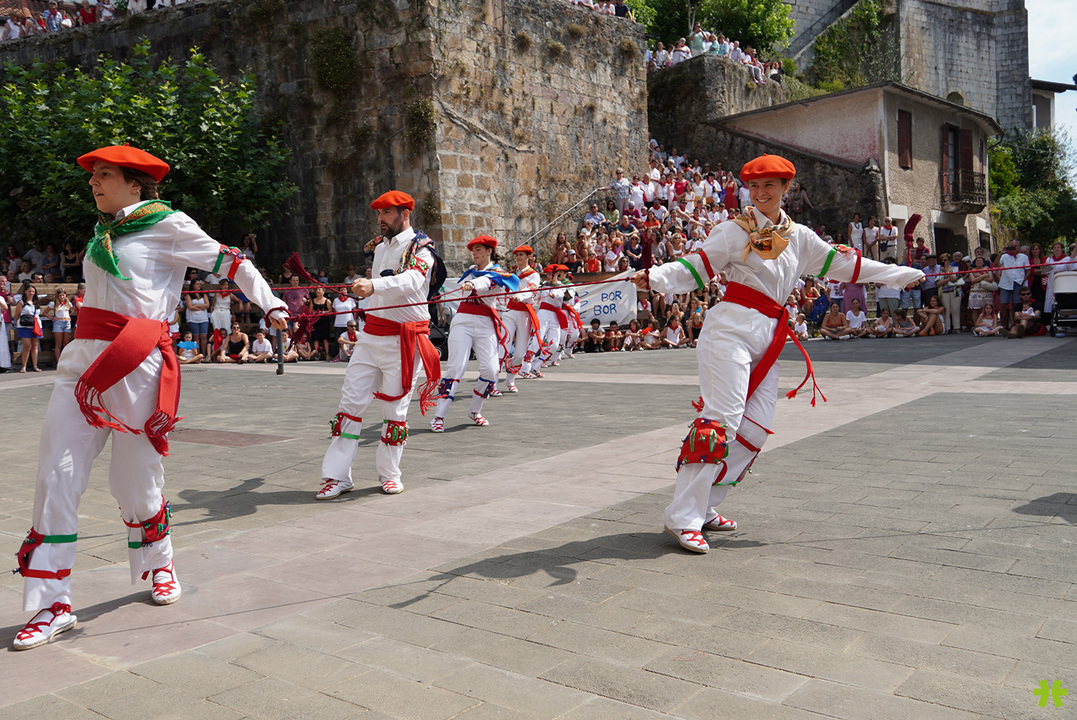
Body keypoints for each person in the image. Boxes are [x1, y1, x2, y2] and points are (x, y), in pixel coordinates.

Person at [12, 145, 288, 651]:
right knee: (56, 474)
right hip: (81, 364)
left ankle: (160, 563)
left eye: (103, 174)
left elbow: (234, 263)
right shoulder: (105, 231)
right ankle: (52, 604)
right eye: (92, 175)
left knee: (135, 480)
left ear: (135, 184)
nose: (93, 182)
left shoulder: (169, 224)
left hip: (136, 362)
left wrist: (271, 305)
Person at [632, 154, 923, 553]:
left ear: (787, 188)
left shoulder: (800, 237)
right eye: (753, 186)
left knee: (754, 429)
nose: (760, 193)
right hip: (729, 330)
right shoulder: (732, 231)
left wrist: (900, 275)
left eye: (769, 185)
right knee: (720, 421)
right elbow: (695, 266)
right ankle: (682, 516)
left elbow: (846, 266)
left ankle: (706, 503)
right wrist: (655, 276)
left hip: (769, 336)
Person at [317, 190, 444, 500]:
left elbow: (412, 281)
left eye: (386, 212)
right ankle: (337, 477)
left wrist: (373, 285)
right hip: (370, 337)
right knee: (349, 405)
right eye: (378, 213)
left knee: (395, 410)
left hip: (403, 341)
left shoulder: (422, 249)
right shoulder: (379, 247)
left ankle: (390, 475)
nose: (380, 219)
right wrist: (365, 291)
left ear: (405, 214)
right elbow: (379, 291)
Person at [430, 236, 517, 432]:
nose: (474, 253)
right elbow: (479, 281)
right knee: (456, 367)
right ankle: (439, 416)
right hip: (463, 321)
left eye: (478, 249)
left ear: (489, 251)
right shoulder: (470, 272)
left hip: (485, 323)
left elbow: (489, 281)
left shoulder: (497, 273)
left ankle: (475, 410)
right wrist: (472, 283)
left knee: (491, 370)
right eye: (473, 250)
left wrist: (474, 285)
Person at [503, 244, 542, 391]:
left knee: (520, 353)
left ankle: (510, 379)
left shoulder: (534, 275)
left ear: (529, 257)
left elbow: (531, 289)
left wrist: (520, 296)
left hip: (524, 312)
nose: (518, 258)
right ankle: (491, 383)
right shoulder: (511, 275)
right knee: (504, 346)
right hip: (509, 311)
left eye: (521, 255)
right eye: (517, 255)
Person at [15, 284, 43, 372]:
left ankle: (35, 366)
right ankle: (24, 366)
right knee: (27, 346)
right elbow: (16, 315)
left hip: (36, 325)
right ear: (25, 292)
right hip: (24, 326)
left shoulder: (36, 302)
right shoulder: (21, 302)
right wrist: (18, 324)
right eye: (29, 291)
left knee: (35, 346)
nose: (31, 293)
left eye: (33, 291)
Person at [47, 288, 75, 362]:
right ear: (57, 296)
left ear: (65, 295)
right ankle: (58, 361)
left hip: (67, 322)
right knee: (58, 344)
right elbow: (45, 313)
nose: (62, 297)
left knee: (66, 343)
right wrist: (52, 318)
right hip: (58, 323)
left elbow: (70, 311)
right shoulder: (53, 303)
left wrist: (68, 317)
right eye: (60, 295)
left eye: (63, 295)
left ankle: (66, 360)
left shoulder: (68, 303)